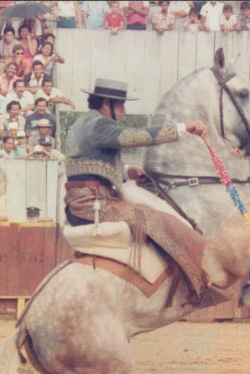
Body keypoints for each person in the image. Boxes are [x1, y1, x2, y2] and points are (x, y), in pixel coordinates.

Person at [64, 78, 210, 298]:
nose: (123, 111)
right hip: (93, 204)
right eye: (120, 105)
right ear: (106, 104)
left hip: (82, 202)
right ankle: (192, 284)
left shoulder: (81, 124)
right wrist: (184, 128)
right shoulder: (101, 124)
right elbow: (136, 136)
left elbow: (88, 165)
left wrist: (127, 171)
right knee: (155, 221)